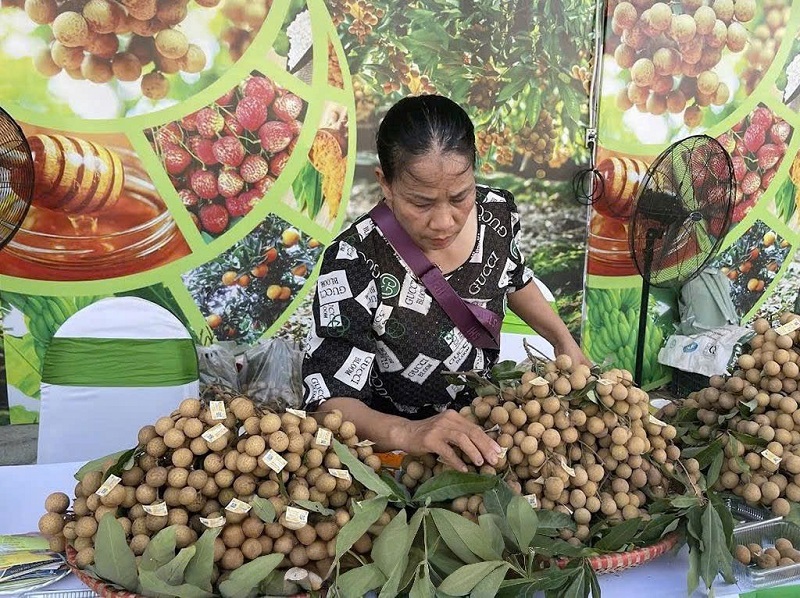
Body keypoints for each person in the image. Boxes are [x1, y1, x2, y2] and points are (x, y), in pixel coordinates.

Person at [301, 95, 589, 472]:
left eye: (460, 197)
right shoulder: (353, 260)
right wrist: (409, 433)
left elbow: (514, 278)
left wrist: (563, 341)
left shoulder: (496, 214)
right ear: (385, 184)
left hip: (484, 434)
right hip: (394, 455)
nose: (444, 222)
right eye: (420, 203)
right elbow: (330, 404)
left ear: (474, 174)